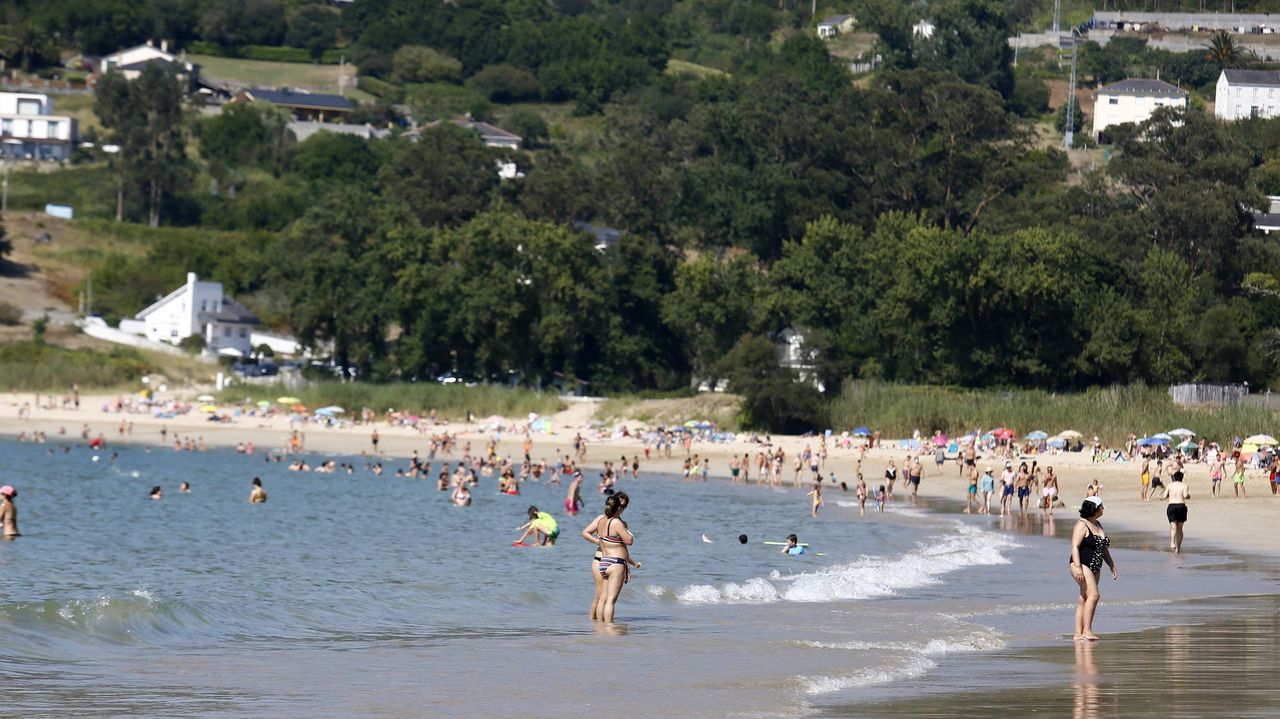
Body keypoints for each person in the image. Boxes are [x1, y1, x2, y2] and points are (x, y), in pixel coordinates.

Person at [1069, 497, 1117, 641]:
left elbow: (1103, 549)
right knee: (1094, 595)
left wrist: (1111, 565)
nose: (1103, 508)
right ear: (1094, 509)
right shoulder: (1082, 525)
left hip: (1096, 565)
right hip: (1081, 564)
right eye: (1101, 506)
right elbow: (1075, 547)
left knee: (1084, 598)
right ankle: (1087, 631)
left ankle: (1078, 634)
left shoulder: (1098, 524)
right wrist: (1077, 568)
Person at [592, 492, 638, 623]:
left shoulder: (601, 521)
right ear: (618, 508)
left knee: (603, 599)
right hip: (616, 562)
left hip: (604, 561)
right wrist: (629, 532)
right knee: (610, 601)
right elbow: (629, 541)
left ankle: (599, 627)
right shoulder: (617, 522)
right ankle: (609, 628)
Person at [1161, 470, 1190, 553]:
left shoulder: (1170, 485)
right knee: (1180, 528)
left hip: (1172, 505)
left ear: (1173, 478)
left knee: (1173, 526)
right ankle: (1178, 548)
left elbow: (1164, 496)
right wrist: (1188, 496)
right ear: (1182, 478)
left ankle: (1172, 543)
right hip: (1181, 506)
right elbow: (1185, 496)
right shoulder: (1184, 486)